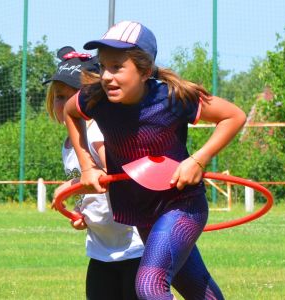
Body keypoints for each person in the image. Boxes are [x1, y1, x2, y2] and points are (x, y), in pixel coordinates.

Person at [64, 21, 246, 299]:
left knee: (150, 286)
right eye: (102, 66)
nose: (107, 76)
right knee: (198, 290)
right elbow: (69, 111)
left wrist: (198, 160)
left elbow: (234, 116)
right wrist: (86, 165)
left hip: (181, 205)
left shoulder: (172, 98)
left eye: (117, 67)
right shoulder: (95, 99)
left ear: (145, 70)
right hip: (142, 210)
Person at [45, 46, 144, 300]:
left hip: (134, 246)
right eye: (58, 96)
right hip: (101, 249)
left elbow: (117, 176)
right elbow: (91, 189)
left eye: (71, 95)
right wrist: (82, 212)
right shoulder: (69, 144)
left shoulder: (97, 131)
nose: (64, 103)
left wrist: (72, 185)